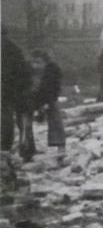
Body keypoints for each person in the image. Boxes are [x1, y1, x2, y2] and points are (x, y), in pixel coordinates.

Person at [1, 27, 33, 159]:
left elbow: (8, 73)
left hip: (13, 90)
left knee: (8, 118)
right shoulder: (14, 48)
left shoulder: (7, 48)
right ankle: (26, 151)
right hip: (19, 89)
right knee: (23, 122)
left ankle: (5, 148)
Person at [29, 49, 66, 162]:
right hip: (31, 98)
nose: (36, 65)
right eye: (33, 62)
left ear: (45, 62)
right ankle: (27, 148)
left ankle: (60, 147)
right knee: (24, 118)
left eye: (39, 62)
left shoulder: (52, 70)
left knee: (55, 115)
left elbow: (54, 90)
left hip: (48, 97)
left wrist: (47, 105)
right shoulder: (27, 71)